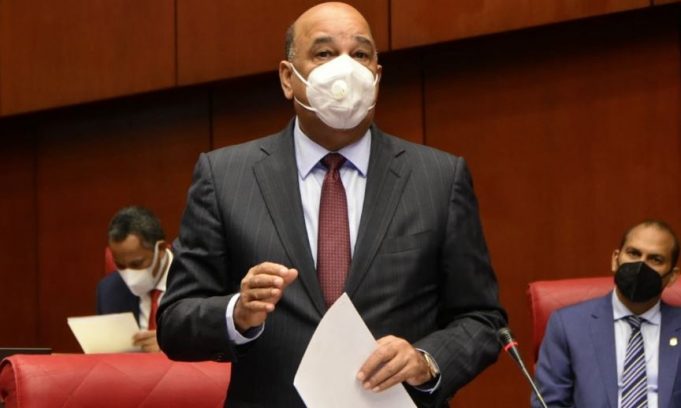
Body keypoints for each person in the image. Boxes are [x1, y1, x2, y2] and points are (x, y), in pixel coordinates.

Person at [157, 2, 506, 407]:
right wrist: (237, 313)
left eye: (360, 54)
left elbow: (483, 320)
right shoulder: (225, 178)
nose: (346, 68)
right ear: (288, 78)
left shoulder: (439, 178)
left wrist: (425, 360)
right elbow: (175, 321)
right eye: (324, 53)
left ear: (376, 77)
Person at [533, 220, 681, 407]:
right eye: (634, 253)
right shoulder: (568, 326)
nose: (641, 266)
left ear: (672, 276)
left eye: (655, 259)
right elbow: (549, 403)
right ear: (615, 259)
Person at [97, 206, 173, 353]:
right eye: (120, 265)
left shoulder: (196, 279)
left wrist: (172, 344)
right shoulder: (108, 292)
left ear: (161, 249)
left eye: (136, 264)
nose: (129, 275)